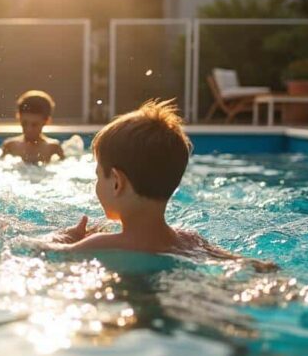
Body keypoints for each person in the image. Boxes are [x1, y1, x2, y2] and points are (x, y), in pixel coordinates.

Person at [50, 99, 276, 270]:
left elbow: (39, 252)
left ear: (117, 182)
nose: (96, 184)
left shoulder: (101, 244)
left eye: (99, 175)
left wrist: (64, 237)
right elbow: (244, 263)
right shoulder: (190, 239)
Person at [1, 90, 65, 164]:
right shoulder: (10, 146)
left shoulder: (53, 147)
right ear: (19, 118)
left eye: (34, 125)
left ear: (47, 121)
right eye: (24, 123)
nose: (29, 129)